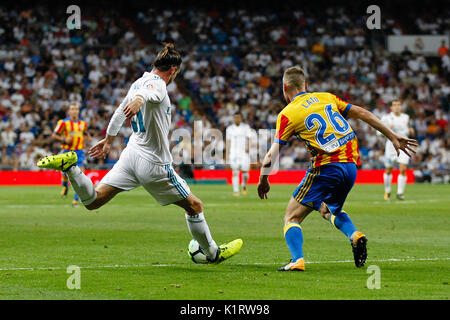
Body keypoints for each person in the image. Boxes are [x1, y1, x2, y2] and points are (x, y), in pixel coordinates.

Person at [37, 43, 242, 264]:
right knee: (195, 206)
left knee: (93, 200)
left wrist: (109, 139)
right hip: (154, 163)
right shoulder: (158, 85)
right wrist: (139, 100)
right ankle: (212, 253)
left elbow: (118, 113)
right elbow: (149, 93)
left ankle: (72, 169)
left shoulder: (137, 83)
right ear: (173, 69)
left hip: (131, 154)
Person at [257, 66, 417, 271]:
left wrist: (263, 180)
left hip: (326, 167)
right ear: (306, 85)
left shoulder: (288, 113)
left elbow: (271, 155)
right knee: (327, 209)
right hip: (350, 167)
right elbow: (362, 112)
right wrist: (392, 136)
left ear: (284, 87)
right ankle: (354, 235)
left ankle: (297, 260)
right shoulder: (326, 97)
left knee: (292, 217)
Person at [52, 103, 92, 207]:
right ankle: (65, 186)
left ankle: (75, 200)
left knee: (80, 177)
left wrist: (89, 138)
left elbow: (86, 133)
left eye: (76, 109)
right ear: (69, 112)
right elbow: (54, 135)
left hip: (79, 153)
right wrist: (64, 139)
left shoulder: (83, 123)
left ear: (78, 111)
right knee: (65, 175)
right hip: (67, 152)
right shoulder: (63, 122)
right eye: (72, 109)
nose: (74, 111)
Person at [380, 100, 415, 200]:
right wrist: (387, 129)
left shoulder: (406, 117)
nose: (397, 107)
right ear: (391, 107)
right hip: (391, 147)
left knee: (403, 168)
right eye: (395, 105)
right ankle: (387, 191)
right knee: (388, 169)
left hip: (404, 145)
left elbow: (408, 128)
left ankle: (400, 193)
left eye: (399, 105)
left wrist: (410, 129)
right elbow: (379, 133)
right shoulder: (386, 118)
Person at [226, 113, 253, 196]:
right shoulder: (230, 129)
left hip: (244, 152)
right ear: (233, 118)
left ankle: (244, 185)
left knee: (245, 172)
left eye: (238, 117)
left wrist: (248, 147)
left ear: (241, 118)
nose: (237, 119)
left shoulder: (246, 127)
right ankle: (236, 191)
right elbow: (228, 141)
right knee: (235, 172)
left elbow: (250, 138)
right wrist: (227, 153)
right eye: (235, 117)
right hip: (233, 153)